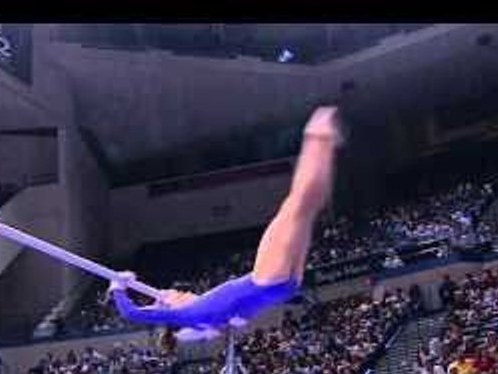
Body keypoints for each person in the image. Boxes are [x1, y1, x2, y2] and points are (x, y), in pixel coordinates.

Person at [109, 107, 344, 336]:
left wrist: (151, 297)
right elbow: (132, 314)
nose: (179, 291)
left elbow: (167, 313)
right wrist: (117, 287)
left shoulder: (201, 314)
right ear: (172, 308)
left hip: (280, 285)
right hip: (264, 282)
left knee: (305, 209)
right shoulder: (186, 316)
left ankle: (323, 143)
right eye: (175, 295)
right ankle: (318, 138)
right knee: (296, 205)